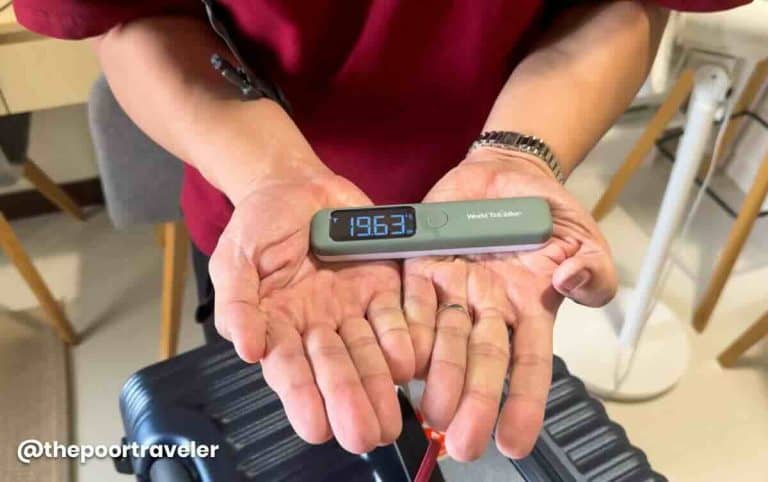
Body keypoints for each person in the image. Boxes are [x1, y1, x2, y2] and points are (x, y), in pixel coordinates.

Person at [16, 0, 748, 463]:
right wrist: (270, 174)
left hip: (493, 258)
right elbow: (123, 16)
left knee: (447, 426)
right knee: (311, 440)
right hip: (274, 246)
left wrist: (519, 154)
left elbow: (635, 2)